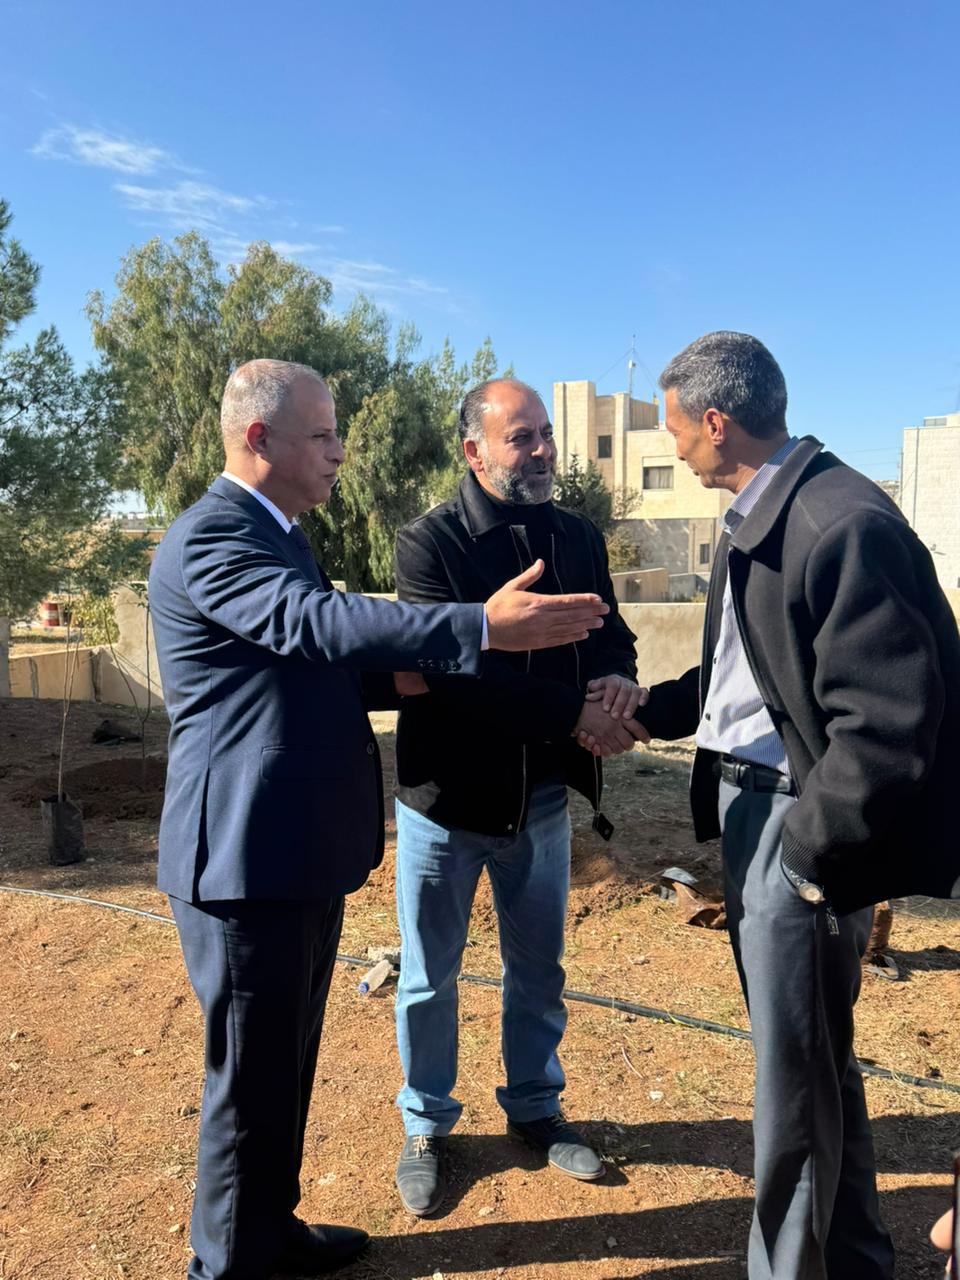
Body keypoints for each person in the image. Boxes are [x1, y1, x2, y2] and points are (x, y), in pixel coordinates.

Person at [148, 359, 611, 1280]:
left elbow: (304, 662)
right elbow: (310, 623)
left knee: (283, 1068)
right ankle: (228, 1266)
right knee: (247, 1086)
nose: (338, 452)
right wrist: (477, 628)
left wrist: (402, 673)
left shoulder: (278, 534)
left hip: (292, 852)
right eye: (322, 435)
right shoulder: (216, 537)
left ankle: (269, 1233)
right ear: (259, 439)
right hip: (242, 858)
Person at [635, 332, 960, 1280]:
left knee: (792, 1087)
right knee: (815, 1067)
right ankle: (855, 1258)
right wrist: (643, 709)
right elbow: (743, 684)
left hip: (796, 824)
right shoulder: (761, 516)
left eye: (674, 429)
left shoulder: (837, 521)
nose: (673, 448)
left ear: (716, 422)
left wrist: (808, 854)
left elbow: (892, 722)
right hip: (759, 816)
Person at [390, 378, 647, 1216]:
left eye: (545, 434)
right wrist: (573, 714)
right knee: (429, 977)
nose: (541, 452)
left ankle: (535, 1108)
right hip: (445, 805)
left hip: (540, 801)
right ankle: (427, 1124)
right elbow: (452, 677)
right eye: (520, 438)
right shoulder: (428, 544)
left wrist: (615, 679)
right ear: (474, 451)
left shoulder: (577, 535)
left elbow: (608, 631)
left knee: (538, 968)